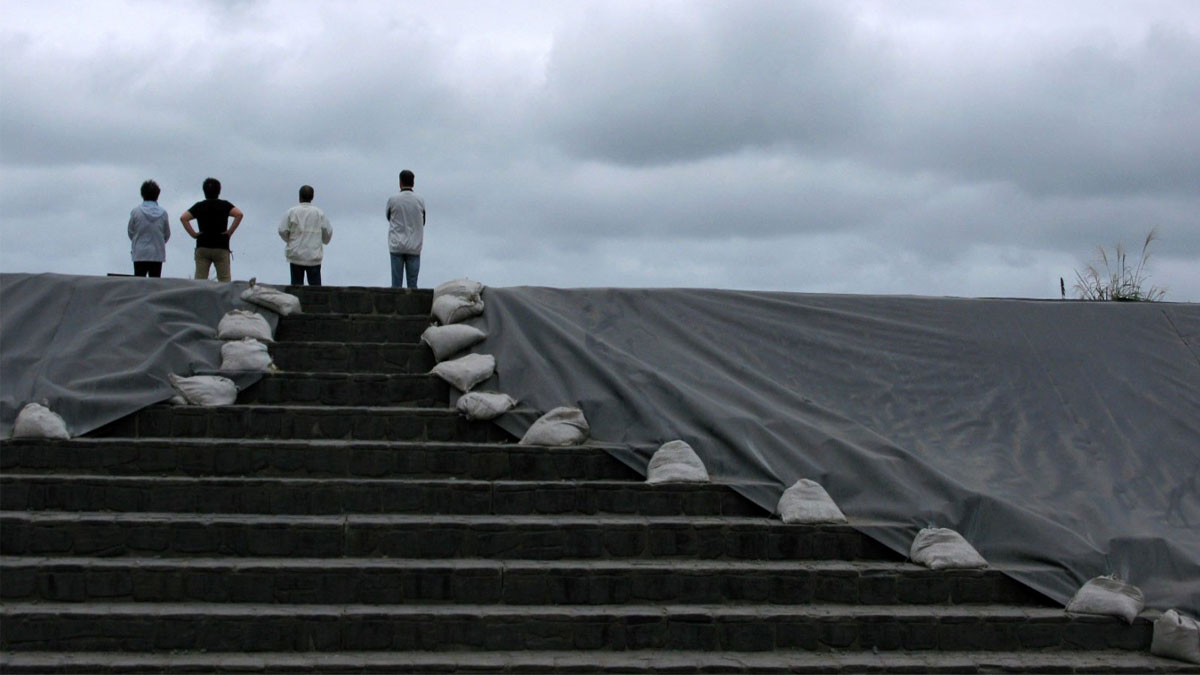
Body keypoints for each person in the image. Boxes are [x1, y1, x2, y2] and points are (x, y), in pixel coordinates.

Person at [180, 177, 243, 282]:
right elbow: (239, 214)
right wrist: (229, 232)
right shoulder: (225, 205)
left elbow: (184, 218)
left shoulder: (199, 206)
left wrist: (194, 234)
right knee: (224, 281)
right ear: (219, 191)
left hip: (203, 245)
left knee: (200, 280)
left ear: (204, 191)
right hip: (221, 246)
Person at [278, 184, 333, 286]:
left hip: (296, 254)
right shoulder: (319, 213)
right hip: (313, 256)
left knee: (296, 287)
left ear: (299, 197)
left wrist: (289, 240)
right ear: (312, 197)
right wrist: (323, 240)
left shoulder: (292, 212)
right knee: (316, 289)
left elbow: (282, 230)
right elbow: (328, 232)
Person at [386, 169, 426, 288]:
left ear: (400, 182)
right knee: (413, 285)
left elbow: (388, 217)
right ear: (413, 183)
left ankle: (396, 306)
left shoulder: (393, 199)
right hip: (414, 246)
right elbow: (423, 220)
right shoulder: (420, 200)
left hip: (396, 245)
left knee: (396, 286)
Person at [127, 180, 170, 277]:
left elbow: (130, 232)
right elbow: (167, 234)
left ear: (142, 193)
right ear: (158, 194)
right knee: (155, 284)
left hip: (139, 253)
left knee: (138, 283)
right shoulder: (163, 213)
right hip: (157, 253)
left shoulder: (136, 212)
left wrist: (137, 240)